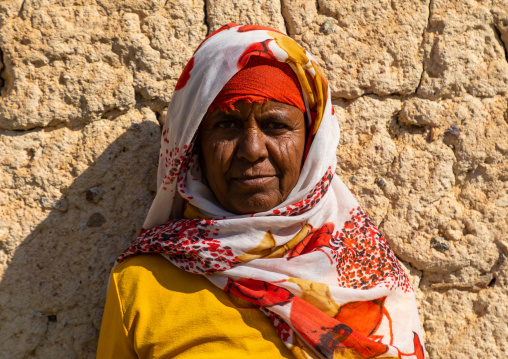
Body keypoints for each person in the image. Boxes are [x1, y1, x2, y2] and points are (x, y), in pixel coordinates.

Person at [97, 23, 425, 359]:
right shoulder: (142, 285)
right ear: (195, 144)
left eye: (276, 125)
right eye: (226, 125)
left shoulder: (371, 279)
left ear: (311, 142)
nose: (252, 149)